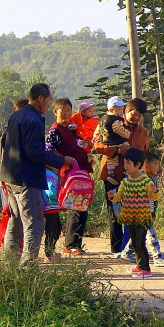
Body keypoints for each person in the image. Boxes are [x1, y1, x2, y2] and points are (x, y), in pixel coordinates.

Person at [0, 83, 74, 266]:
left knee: (16, 222)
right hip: (27, 178)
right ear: (40, 99)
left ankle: (10, 265)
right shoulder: (33, 120)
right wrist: (62, 160)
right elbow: (35, 152)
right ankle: (27, 268)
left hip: (10, 176)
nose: (49, 104)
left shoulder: (17, 115)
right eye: (48, 100)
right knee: (34, 225)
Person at [94, 98, 150, 253]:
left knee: (133, 213)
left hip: (134, 179)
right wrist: (117, 151)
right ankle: (117, 249)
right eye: (134, 113)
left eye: (139, 116)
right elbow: (97, 144)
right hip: (112, 174)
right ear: (126, 110)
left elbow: (145, 152)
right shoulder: (111, 122)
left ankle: (131, 249)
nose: (136, 118)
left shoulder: (143, 132)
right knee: (115, 213)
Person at [44, 97, 92, 257]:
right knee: (75, 207)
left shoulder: (71, 129)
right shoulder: (55, 131)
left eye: (68, 110)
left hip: (79, 174)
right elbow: (49, 153)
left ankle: (76, 243)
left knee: (82, 207)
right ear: (55, 112)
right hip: (66, 177)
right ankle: (70, 245)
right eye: (62, 111)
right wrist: (63, 161)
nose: (66, 114)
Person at [107, 148, 160, 278]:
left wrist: (155, 191)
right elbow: (119, 196)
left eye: (128, 163)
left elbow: (154, 197)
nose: (125, 166)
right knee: (135, 243)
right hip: (130, 217)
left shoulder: (146, 181)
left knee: (139, 243)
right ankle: (139, 266)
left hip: (142, 218)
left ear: (138, 164)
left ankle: (145, 269)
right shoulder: (125, 182)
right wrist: (112, 196)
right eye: (124, 163)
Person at [116, 153, 164, 266]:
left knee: (140, 236)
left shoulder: (152, 179)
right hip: (141, 213)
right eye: (155, 165)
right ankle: (157, 257)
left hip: (148, 213)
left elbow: (154, 198)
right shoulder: (139, 180)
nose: (158, 167)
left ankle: (126, 253)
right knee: (151, 236)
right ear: (145, 166)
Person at [95, 96, 130, 183]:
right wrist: (127, 134)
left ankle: (112, 173)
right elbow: (97, 141)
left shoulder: (103, 119)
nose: (121, 111)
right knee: (128, 153)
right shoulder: (116, 120)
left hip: (108, 142)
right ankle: (125, 172)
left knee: (112, 160)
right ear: (111, 110)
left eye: (122, 109)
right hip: (116, 143)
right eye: (119, 109)